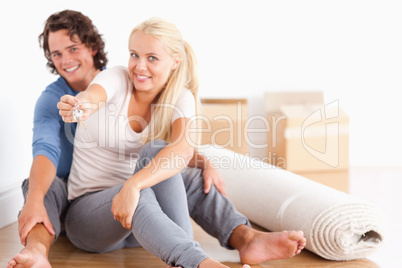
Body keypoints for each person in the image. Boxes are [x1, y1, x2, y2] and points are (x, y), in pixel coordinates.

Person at [56, 17, 306, 268]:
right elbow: (94, 95)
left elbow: (181, 148)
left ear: (175, 61)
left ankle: (246, 239)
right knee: (144, 188)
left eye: (152, 58)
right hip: (90, 219)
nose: (139, 66)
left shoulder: (179, 97)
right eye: (134, 55)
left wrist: (140, 182)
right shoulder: (116, 78)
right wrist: (81, 105)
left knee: (167, 159)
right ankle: (196, 263)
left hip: (142, 222)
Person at [7, 9, 108, 268]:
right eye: (57, 54)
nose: (66, 60)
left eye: (73, 49)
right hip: (68, 194)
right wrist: (33, 199)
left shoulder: (119, 84)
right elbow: (46, 148)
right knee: (40, 186)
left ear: (93, 47)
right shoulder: (50, 99)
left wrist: (200, 158)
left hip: (110, 186)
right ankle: (36, 254)